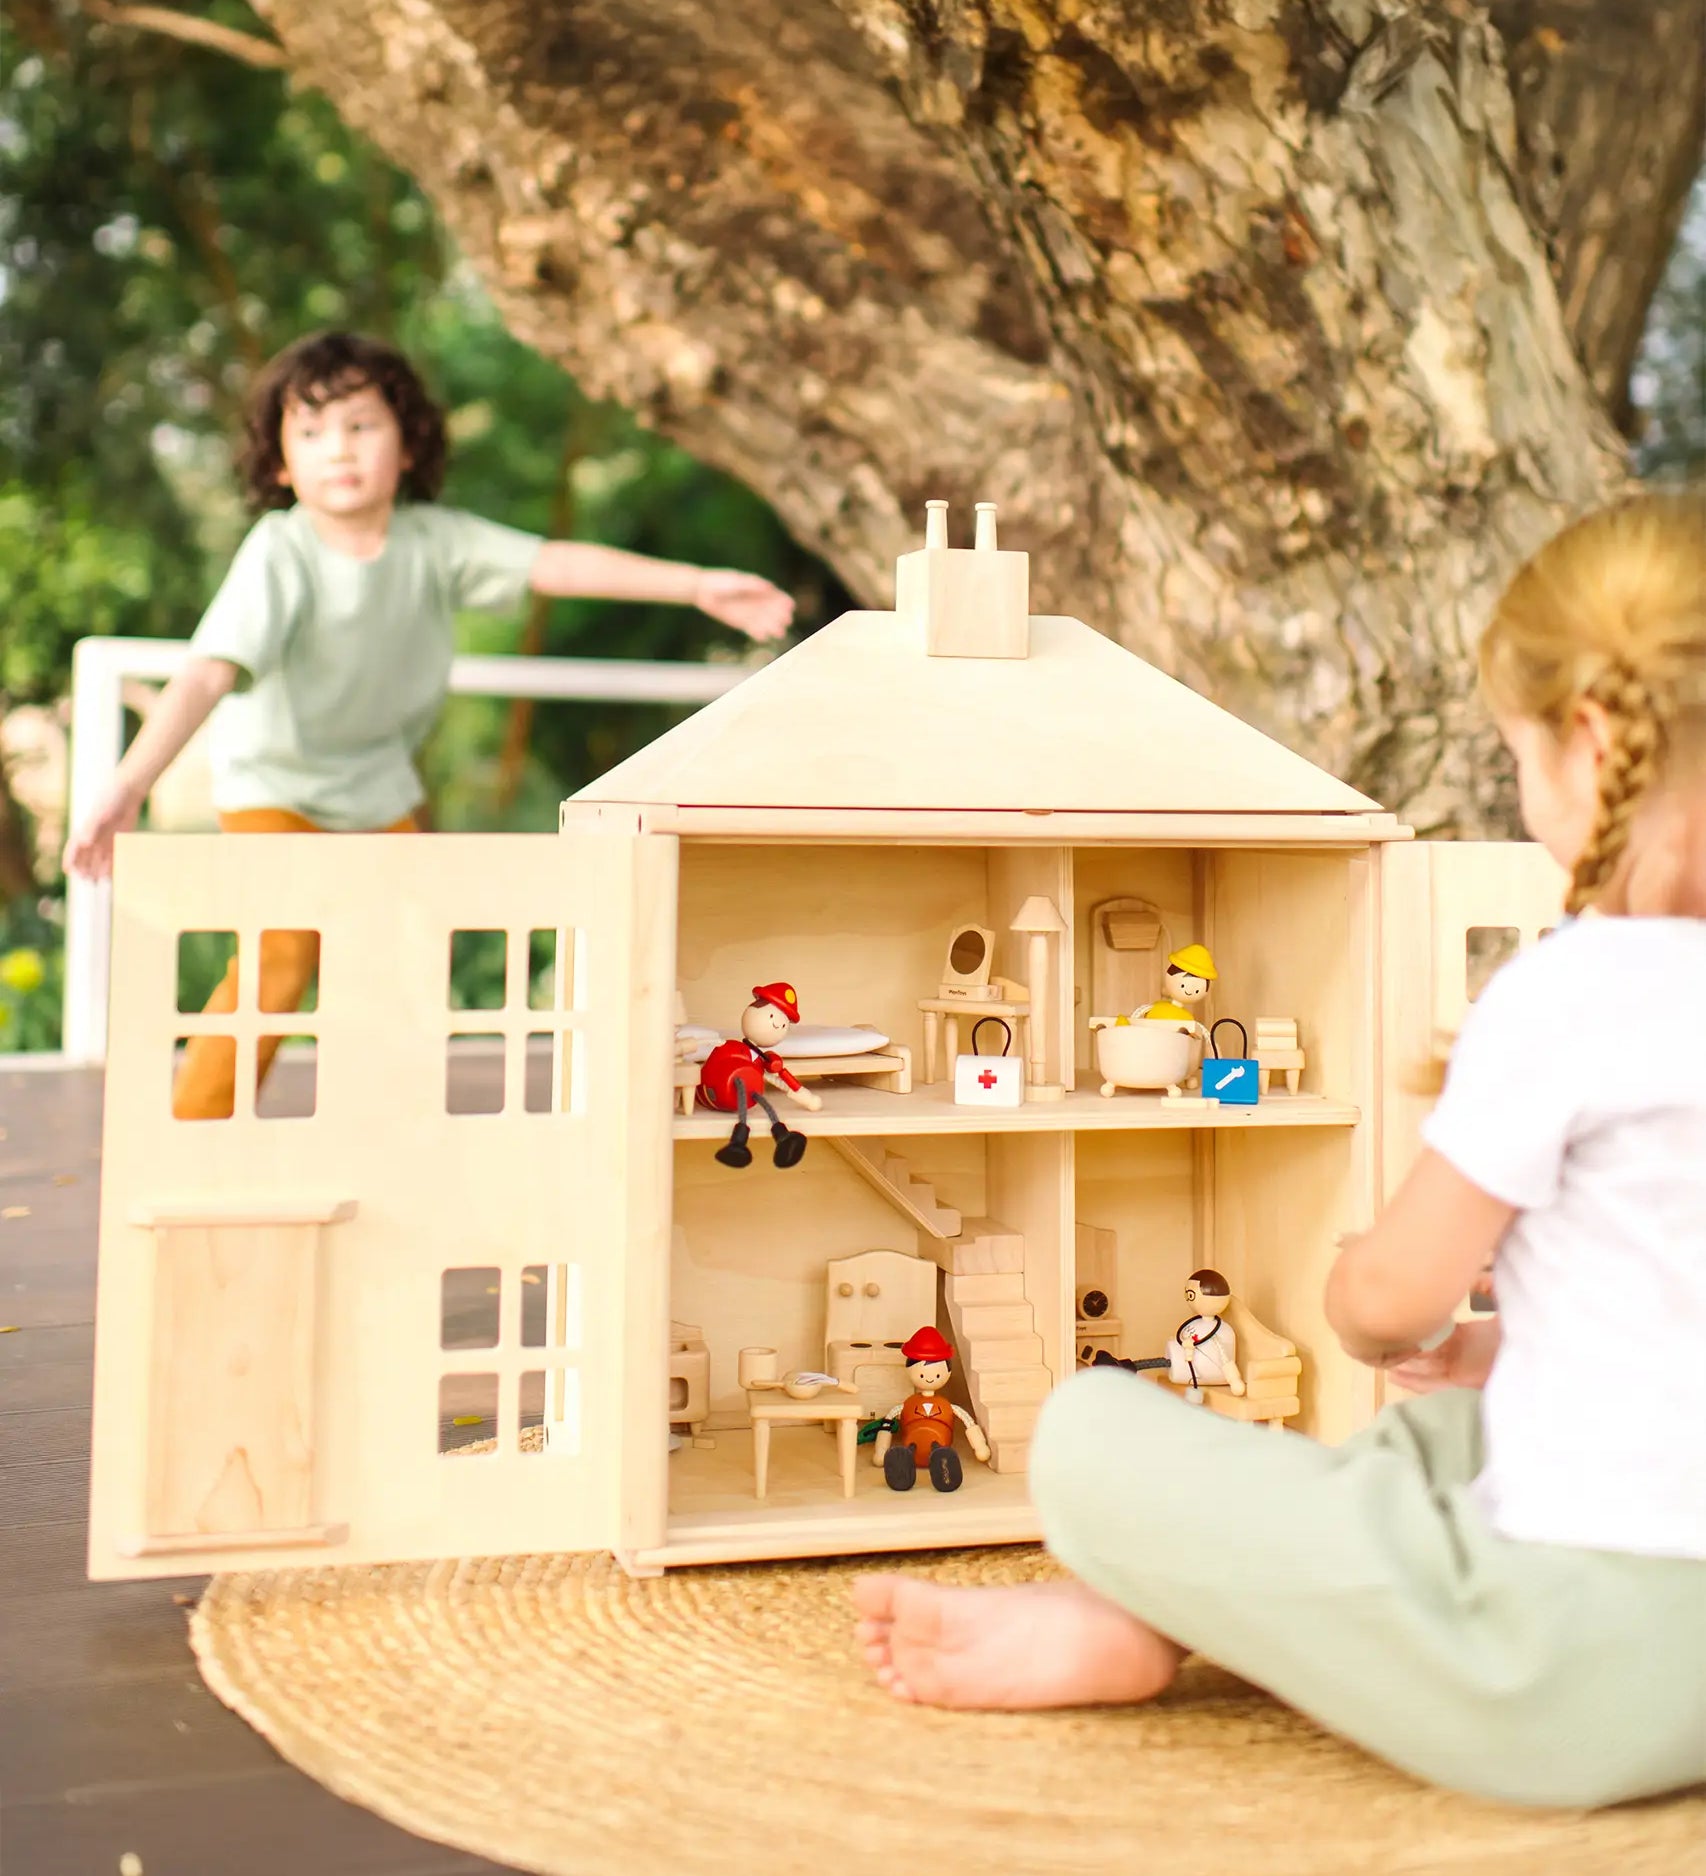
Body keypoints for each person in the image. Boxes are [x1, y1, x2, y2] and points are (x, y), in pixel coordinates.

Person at [855, 492, 1706, 1809]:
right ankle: (1152, 1618)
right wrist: (1488, 1352)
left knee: (1086, 1426)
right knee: (1439, 1446)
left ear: (1589, 744)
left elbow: (1384, 1306)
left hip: (1554, 1676)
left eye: (1516, 762)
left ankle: (1144, 1612)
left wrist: (1366, 1293)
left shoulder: (1571, 991)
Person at [63, 330, 794, 1119]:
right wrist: (127, 782)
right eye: (310, 433)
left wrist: (697, 586)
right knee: (280, 956)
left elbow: (557, 564)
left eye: (360, 425)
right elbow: (207, 670)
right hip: (275, 786)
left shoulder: (436, 542)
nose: (337, 449)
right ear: (279, 464)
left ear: (408, 444)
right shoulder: (280, 553)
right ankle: (193, 1137)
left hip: (379, 793)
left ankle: (385, 1138)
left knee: (401, 963)